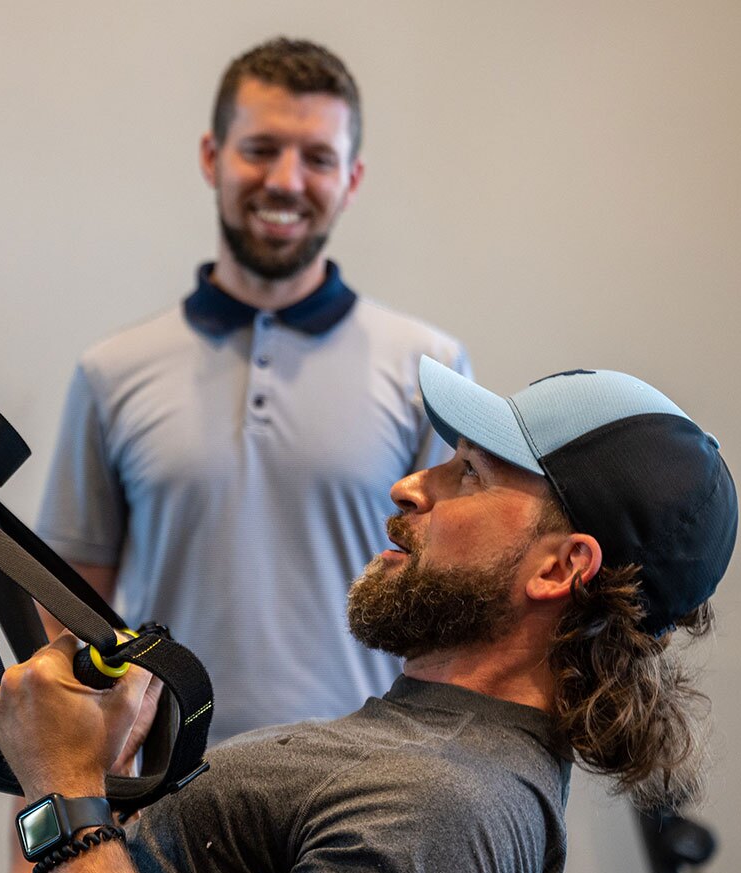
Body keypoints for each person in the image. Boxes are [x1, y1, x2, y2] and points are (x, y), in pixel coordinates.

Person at [0, 356, 739, 873]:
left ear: (559, 567)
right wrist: (107, 778)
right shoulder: (427, 759)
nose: (410, 485)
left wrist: (66, 791)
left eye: (469, 473)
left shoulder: (444, 807)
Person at [34, 37, 470, 746]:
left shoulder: (430, 369)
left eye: (318, 158)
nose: (286, 181)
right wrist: (46, 793)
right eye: (260, 149)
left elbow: (458, 616)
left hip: (365, 790)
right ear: (212, 157)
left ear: (351, 178)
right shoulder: (111, 371)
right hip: (168, 787)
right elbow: (65, 618)